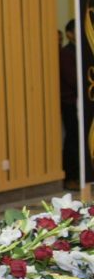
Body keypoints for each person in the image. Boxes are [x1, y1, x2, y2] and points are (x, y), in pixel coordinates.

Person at [60, 19, 80, 190]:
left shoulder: (84, 50)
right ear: (69, 34)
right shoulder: (66, 53)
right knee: (73, 139)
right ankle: (70, 177)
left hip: (84, 101)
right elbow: (73, 79)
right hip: (71, 102)